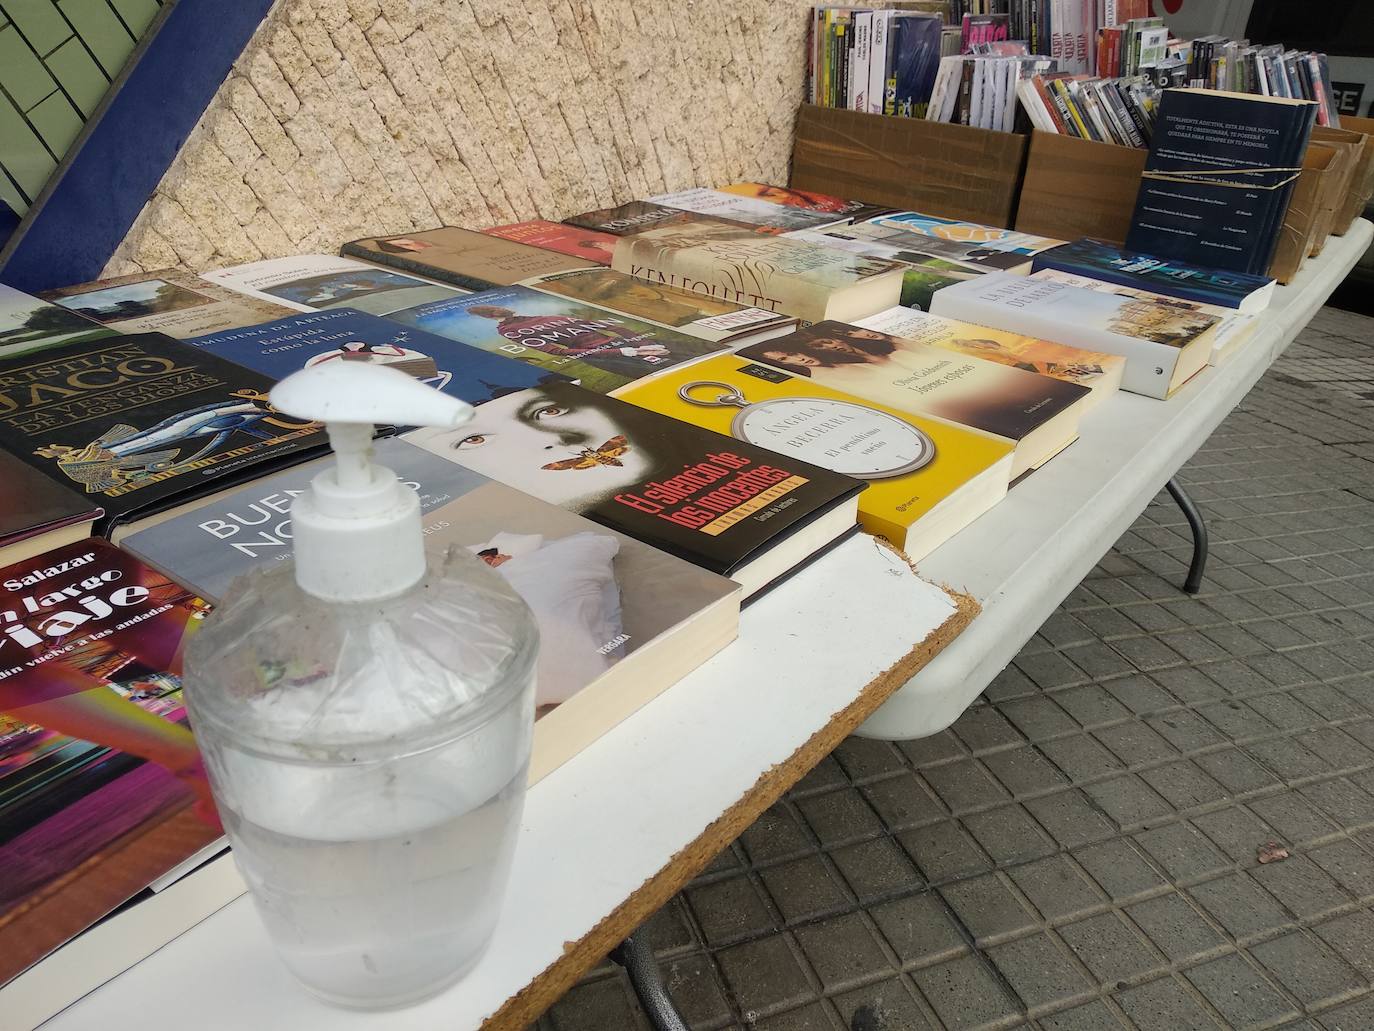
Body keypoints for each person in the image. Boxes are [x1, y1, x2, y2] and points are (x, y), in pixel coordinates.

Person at [465, 304, 671, 362]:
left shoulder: (537, 315)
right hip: (609, 357)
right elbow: (557, 351)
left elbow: (599, 324)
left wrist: (639, 342)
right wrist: (628, 352)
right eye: (492, 311)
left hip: (629, 345)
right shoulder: (510, 330)